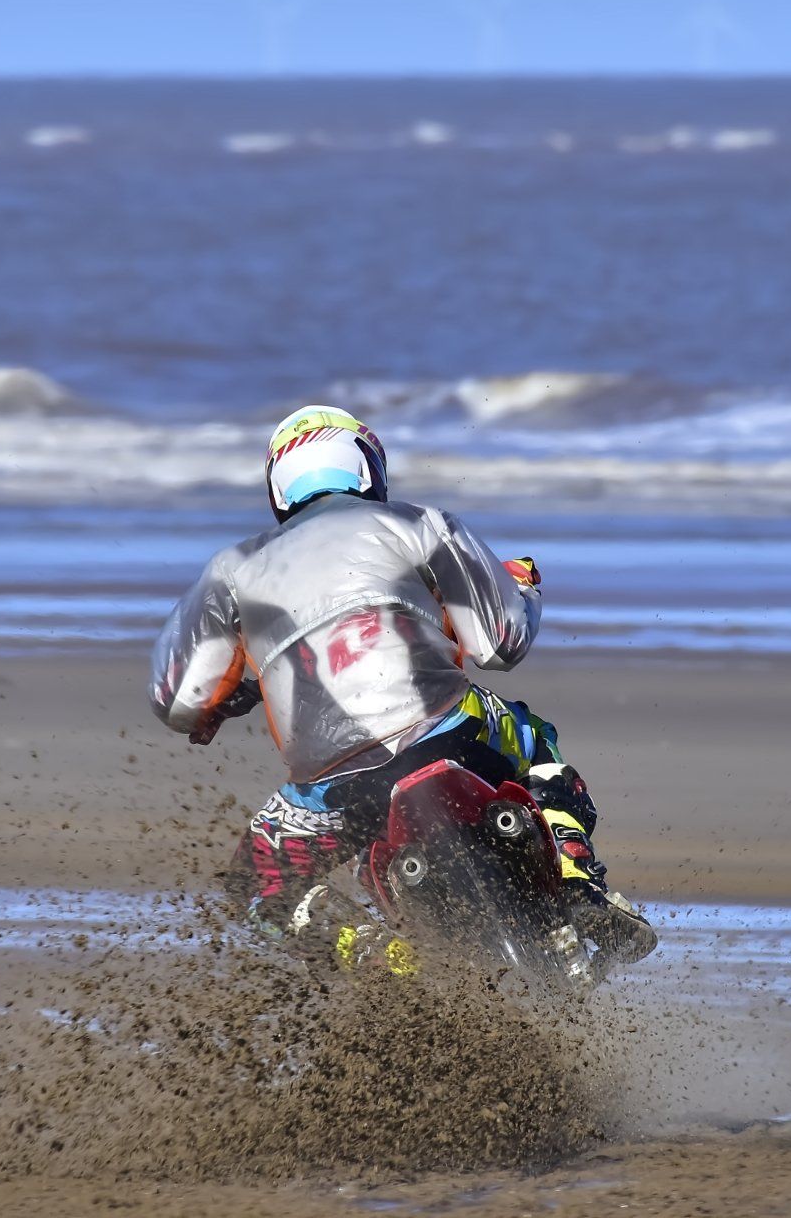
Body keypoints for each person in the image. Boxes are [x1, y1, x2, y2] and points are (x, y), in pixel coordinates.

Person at [150, 404, 655, 974]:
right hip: (451, 730)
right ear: (368, 467)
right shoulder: (419, 524)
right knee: (536, 743)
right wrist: (524, 588)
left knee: (254, 884)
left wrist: (227, 697)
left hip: (331, 788)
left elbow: (178, 698)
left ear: (278, 490)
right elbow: (500, 644)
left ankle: (375, 955)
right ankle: (577, 882)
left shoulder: (232, 569)